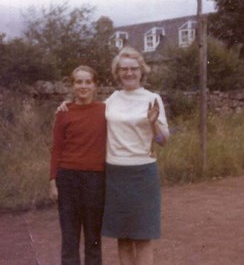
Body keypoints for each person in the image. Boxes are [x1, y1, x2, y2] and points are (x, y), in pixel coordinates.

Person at [101, 46, 170, 265]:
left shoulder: (152, 99)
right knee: (123, 237)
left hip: (142, 173)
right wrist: (66, 106)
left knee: (142, 237)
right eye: (124, 69)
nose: (129, 73)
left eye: (133, 68)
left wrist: (153, 124)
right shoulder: (111, 100)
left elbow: (163, 141)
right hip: (115, 173)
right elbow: (88, 116)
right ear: (117, 72)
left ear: (142, 71)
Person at [49, 65, 107, 265]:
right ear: (72, 85)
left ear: (95, 85)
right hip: (68, 179)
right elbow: (56, 148)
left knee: (94, 238)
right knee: (69, 238)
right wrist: (52, 180)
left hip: (95, 180)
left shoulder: (106, 110)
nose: (83, 86)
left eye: (87, 82)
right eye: (79, 82)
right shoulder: (64, 112)